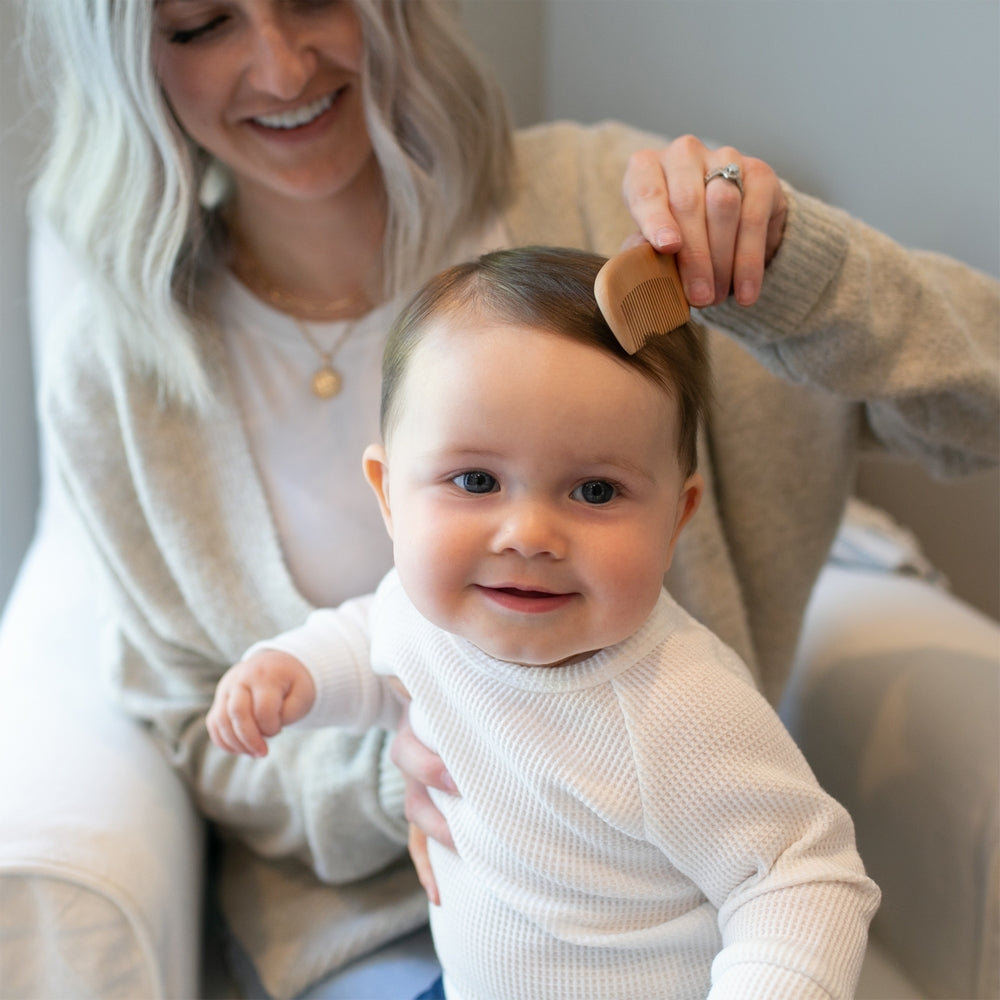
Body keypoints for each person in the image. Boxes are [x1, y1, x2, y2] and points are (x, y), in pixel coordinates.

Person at [23, 0, 997, 996]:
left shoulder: (624, 241)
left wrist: (800, 276)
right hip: (376, 932)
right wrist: (391, 758)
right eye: (200, 25)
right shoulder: (113, 374)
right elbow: (241, 700)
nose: (278, 68)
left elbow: (983, 409)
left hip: (670, 930)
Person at [208, 246, 881, 1000]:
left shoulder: (679, 705)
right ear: (390, 493)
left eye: (595, 490)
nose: (528, 534)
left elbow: (802, 876)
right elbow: (369, 639)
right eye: (476, 481)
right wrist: (289, 673)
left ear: (676, 517)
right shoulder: (432, 614)